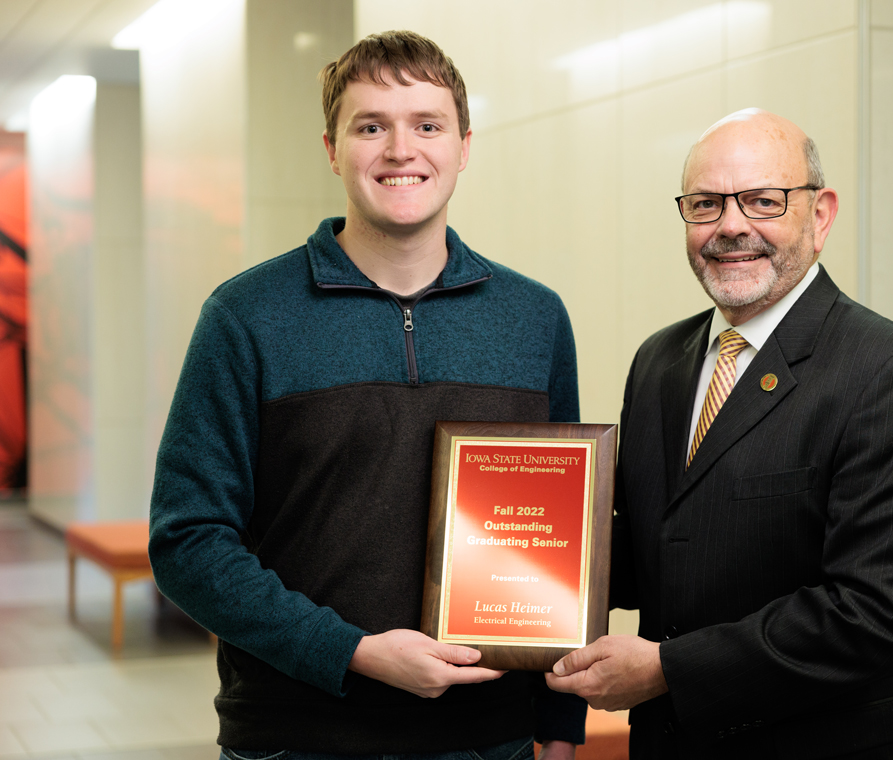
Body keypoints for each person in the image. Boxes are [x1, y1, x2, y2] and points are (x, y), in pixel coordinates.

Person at [149, 31, 584, 760]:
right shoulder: (246, 316)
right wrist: (350, 650)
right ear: (332, 148)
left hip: (489, 740)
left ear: (464, 145)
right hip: (298, 736)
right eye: (370, 126)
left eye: (426, 124)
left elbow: (558, 547)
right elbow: (187, 540)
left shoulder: (534, 319)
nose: (400, 149)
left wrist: (561, 730)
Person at [547, 109, 893, 759]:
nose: (731, 226)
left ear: (820, 215)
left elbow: (875, 615)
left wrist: (665, 669)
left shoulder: (890, 371)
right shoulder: (660, 363)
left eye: (764, 201)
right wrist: (514, 544)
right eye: (706, 204)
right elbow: (653, 551)